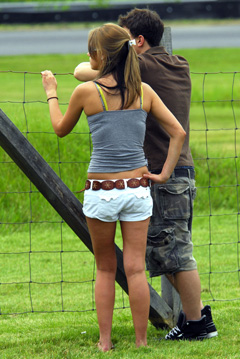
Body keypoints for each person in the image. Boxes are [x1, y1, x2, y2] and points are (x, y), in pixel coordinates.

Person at [74, 9, 218, 341]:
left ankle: (197, 322)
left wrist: (92, 65)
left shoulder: (140, 70)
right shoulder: (177, 63)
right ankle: (192, 317)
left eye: (123, 40)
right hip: (181, 168)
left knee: (175, 251)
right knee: (166, 248)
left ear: (137, 42)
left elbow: (88, 71)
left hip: (161, 172)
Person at [42, 23, 186, 351]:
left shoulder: (86, 92)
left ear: (98, 56)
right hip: (137, 189)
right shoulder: (144, 92)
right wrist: (163, 173)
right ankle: (141, 342)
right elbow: (178, 132)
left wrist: (51, 92)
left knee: (106, 268)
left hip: (101, 189)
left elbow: (60, 129)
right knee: (136, 270)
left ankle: (105, 343)